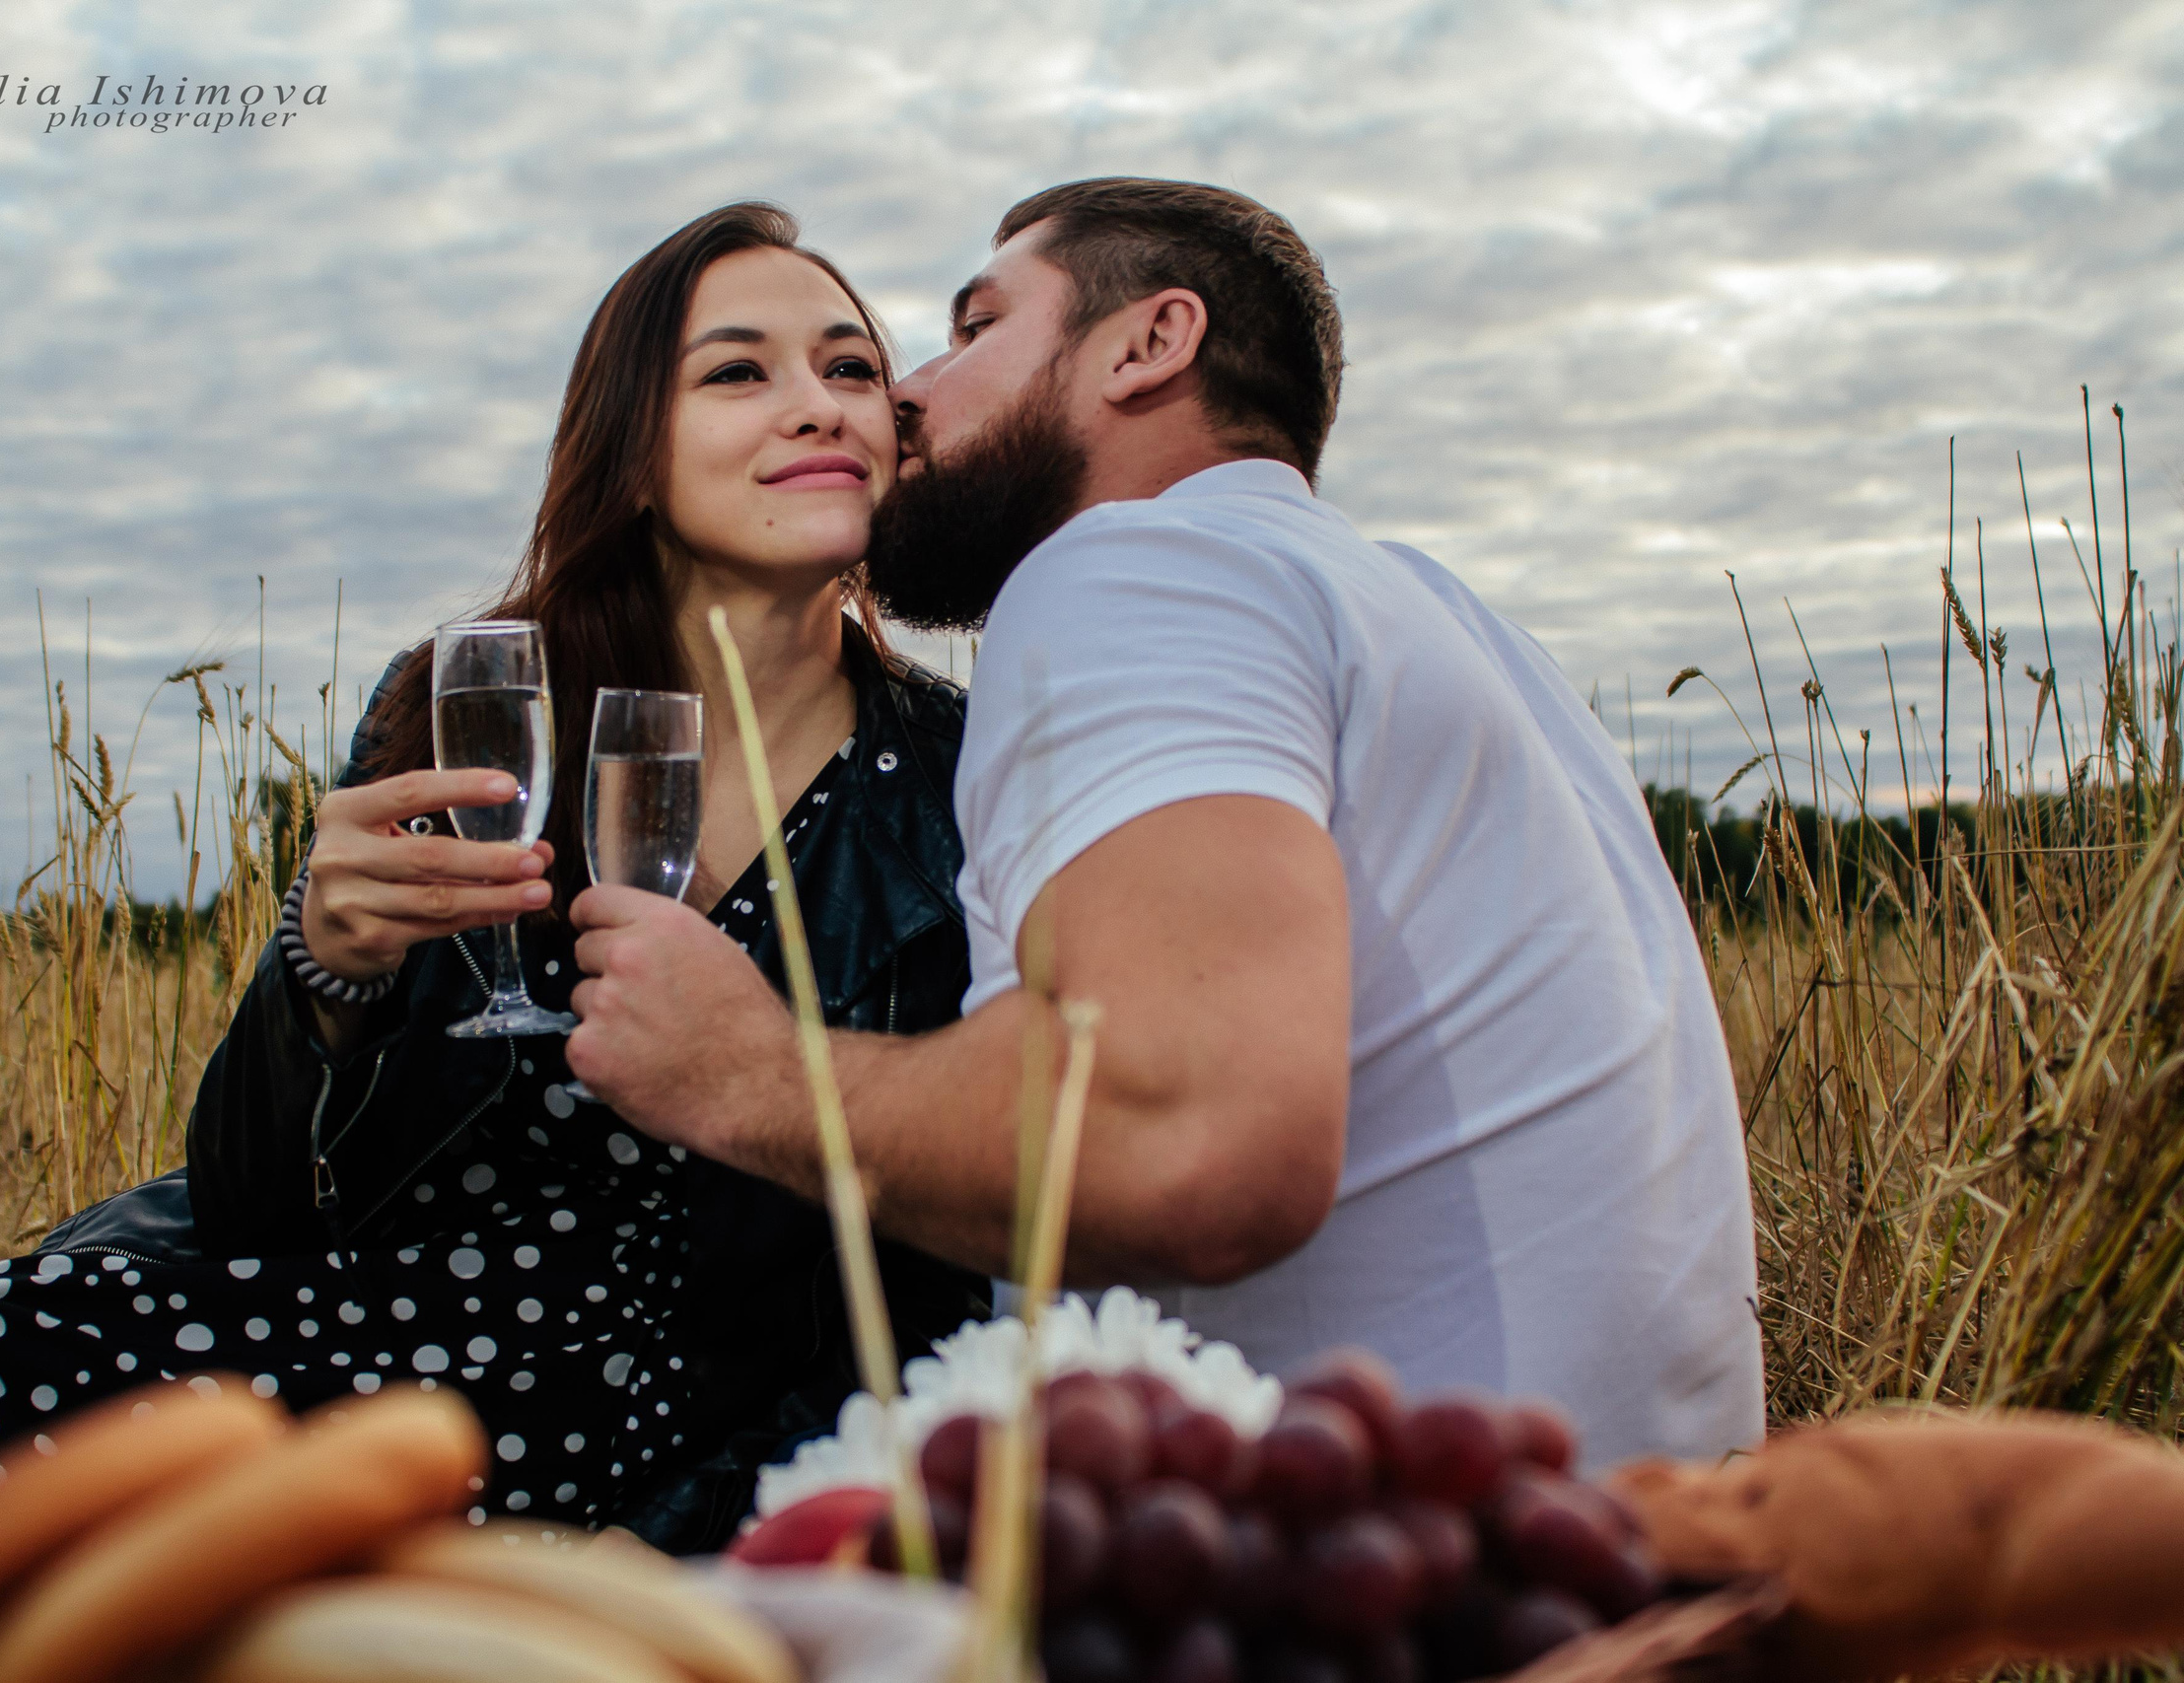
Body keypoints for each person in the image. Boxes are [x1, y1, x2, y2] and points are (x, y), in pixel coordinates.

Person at [0, 202, 985, 1566]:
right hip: (350, 1347)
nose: (818, 405)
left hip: (719, 1428)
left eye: (847, 367)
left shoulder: (964, 777)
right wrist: (324, 970)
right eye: (736, 371)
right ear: (632, 454)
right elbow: (255, 1208)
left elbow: (957, 1270)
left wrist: (694, 1530)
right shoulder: (470, 710)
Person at [565, 177, 1767, 1471]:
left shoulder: (1132, 566)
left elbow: (1188, 1140)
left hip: (1377, 1584)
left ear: (1149, 344)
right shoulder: (1446, 621)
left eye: (974, 330)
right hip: (1620, 1551)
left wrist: (741, 1072)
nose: (906, 393)